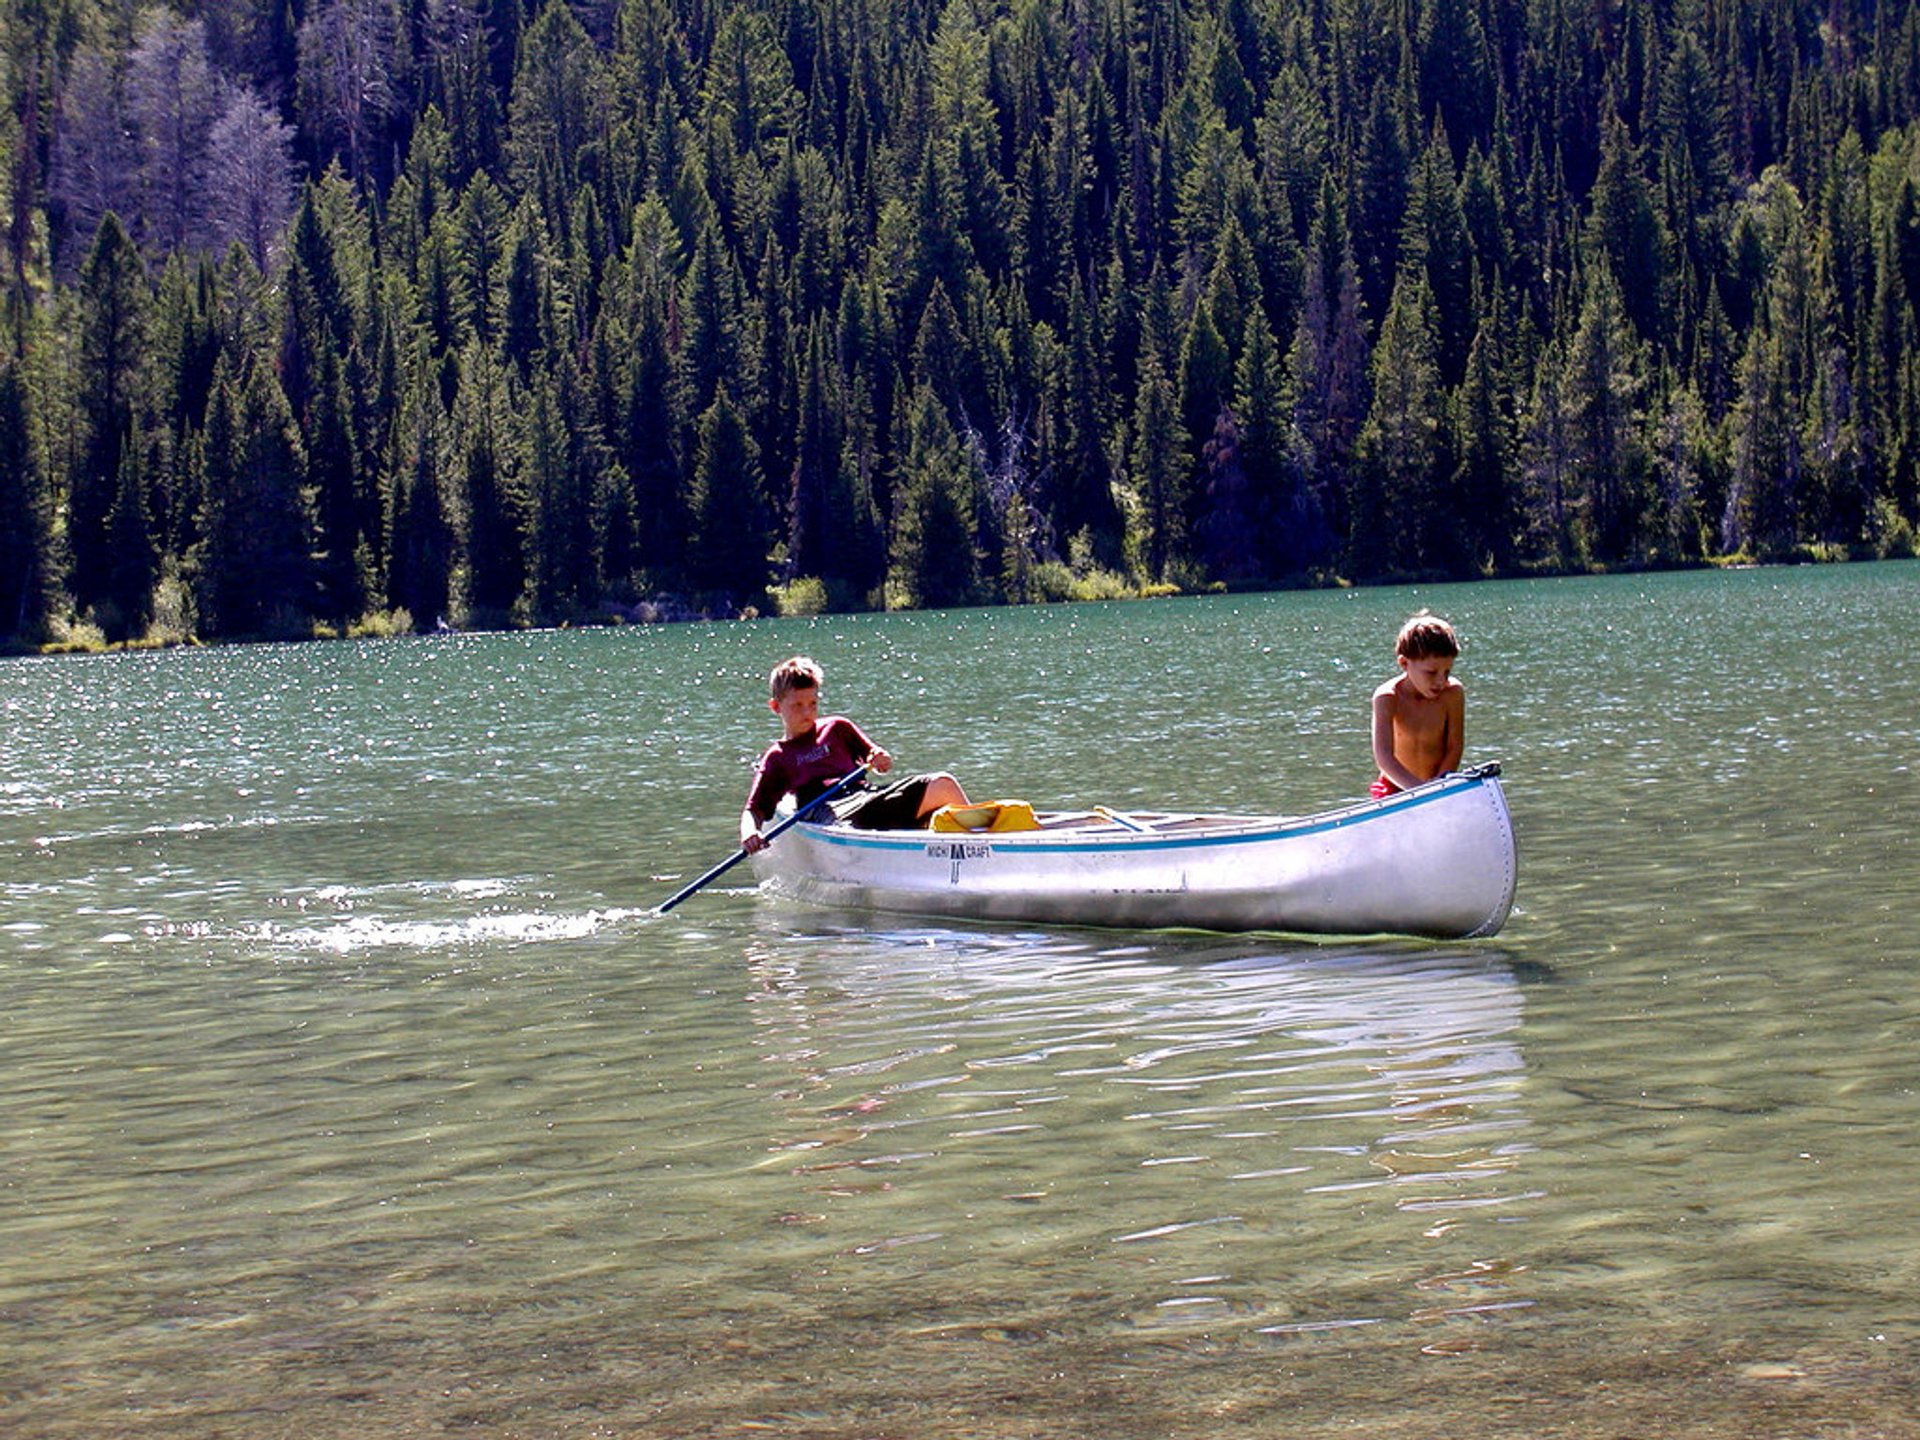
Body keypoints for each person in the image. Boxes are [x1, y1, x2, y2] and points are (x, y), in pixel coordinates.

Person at [739, 655, 970, 853]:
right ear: (776, 707)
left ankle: (978, 846)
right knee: (847, 835)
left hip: (867, 797)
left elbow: (879, 759)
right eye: (797, 705)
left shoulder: (838, 727)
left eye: (812, 703)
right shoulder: (777, 756)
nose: (807, 712)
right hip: (829, 814)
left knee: (943, 783)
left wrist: (881, 759)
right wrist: (750, 833)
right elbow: (754, 809)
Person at [1370, 612, 1465, 798]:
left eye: (1447, 672)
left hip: (1438, 784)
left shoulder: (1452, 694)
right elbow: (1384, 758)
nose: (1440, 681)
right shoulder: (1387, 698)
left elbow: (1455, 746)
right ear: (1404, 663)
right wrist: (1418, 792)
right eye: (1431, 673)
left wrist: (1439, 784)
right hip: (1396, 788)